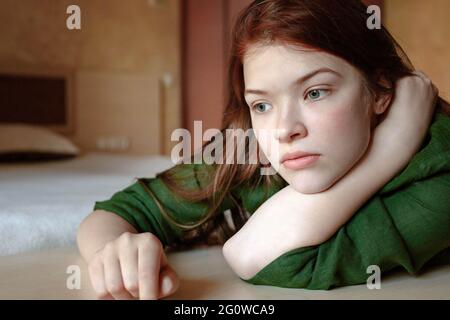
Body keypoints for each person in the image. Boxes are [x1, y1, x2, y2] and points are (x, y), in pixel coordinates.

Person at [77, 0, 450, 299]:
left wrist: (393, 146)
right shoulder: (252, 150)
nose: (285, 130)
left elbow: (256, 255)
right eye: (262, 105)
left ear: (381, 92)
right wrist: (113, 252)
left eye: (315, 92)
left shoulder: (440, 173)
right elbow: (118, 211)